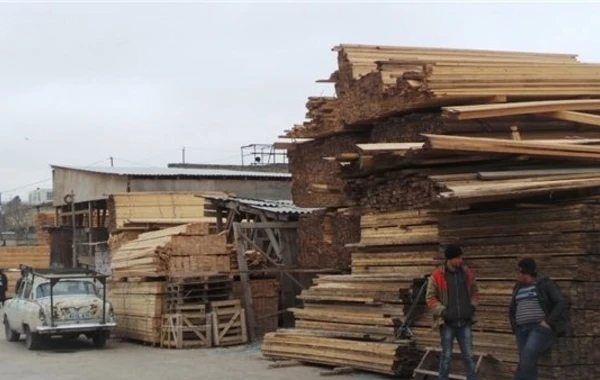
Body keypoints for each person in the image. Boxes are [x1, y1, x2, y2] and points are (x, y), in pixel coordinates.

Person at [426, 244, 479, 380]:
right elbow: (430, 298)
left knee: (468, 356)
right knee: (446, 357)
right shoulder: (437, 275)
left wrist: (472, 307)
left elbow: (475, 291)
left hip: (465, 322)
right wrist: (444, 312)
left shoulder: (467, 273)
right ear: (450, 259)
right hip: (447, 323)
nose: (461, 260)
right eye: (459, 258)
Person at [509, 257, 566, 380]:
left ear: (525, 273)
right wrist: (515, 327)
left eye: (518, 272)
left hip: (539, 328)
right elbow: (513, 308)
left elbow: (561, 302)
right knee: (526, 361)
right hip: (521, 330)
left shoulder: (545, 284)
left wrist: (548, 321)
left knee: (528, 354)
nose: (516, 275)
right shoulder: (517, 288)